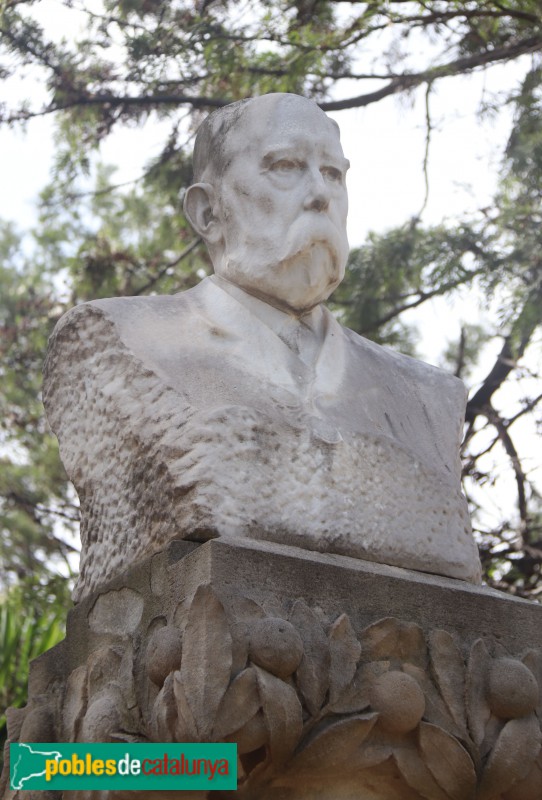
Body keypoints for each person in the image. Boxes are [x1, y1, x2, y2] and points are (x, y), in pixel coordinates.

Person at [44, 93, 481, 600]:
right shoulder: (116, 341)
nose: (320, 195)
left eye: (333, 174)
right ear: (208, 211)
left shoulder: (428, 396)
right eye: (286, 167)